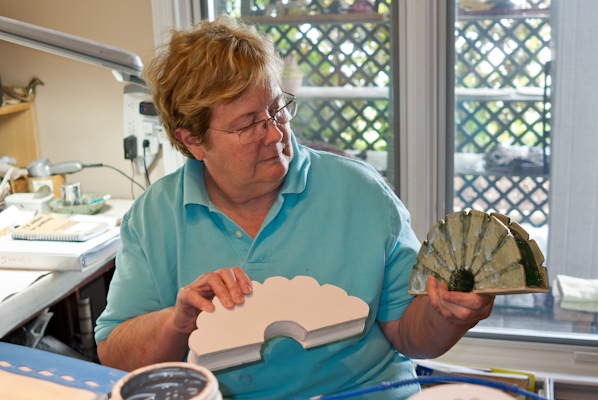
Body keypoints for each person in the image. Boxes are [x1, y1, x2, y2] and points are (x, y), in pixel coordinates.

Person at [95, 15, 494, 400]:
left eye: (277, 108)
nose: (274, 132)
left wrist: (449, 315)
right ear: (193, 140)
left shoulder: (360, 192)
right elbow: (114, 357)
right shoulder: (153, 217)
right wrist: (177, 322)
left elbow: (410, 335)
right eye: (248, 124)